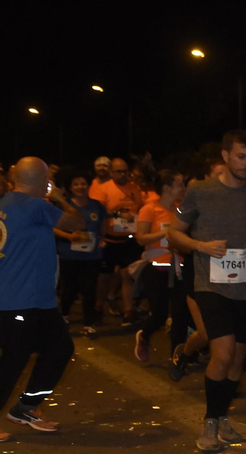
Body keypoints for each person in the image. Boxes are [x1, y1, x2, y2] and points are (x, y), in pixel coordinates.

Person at [166, 131, 246, 453]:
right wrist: (200, 245)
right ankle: (210, 423)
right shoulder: (200, 191)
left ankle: (222, 415)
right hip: (210, 284)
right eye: (241, 156)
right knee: (223, 354)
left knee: (238, 362)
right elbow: (174, 233)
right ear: (226, 156)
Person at [0, 158, 86, 438]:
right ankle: (24, 407)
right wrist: (60, 197)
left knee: (60, 349)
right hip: (21, 300)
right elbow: (77, 221)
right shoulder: (36, 205)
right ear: (42, 180)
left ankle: (26, 406)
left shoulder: (5, 204)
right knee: (14, 360)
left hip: (36, 300)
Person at [132, 169, 187, 365]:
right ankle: (144, 336)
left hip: (178, 267)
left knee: (181, 313)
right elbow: (140, 238)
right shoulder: (149, 209)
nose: (183, 188)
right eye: (180, 184)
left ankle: (177, 356)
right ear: (166, 188)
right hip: (155, 268)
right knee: (160, 314)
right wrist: (166, 234)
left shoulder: (181, 210)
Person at [89, 156, 144, 323]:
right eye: (118, 171)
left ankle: (128, 311)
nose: (122, 174)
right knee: (104, 275)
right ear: (111, 172)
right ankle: (98, 306)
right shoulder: (102, 189)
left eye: (125, 171)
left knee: (127, 274)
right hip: (109, 239)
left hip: (129, 239)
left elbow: (140, 208)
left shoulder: (134, 188)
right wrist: (117, 215)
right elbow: (96, 213)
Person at [55, 170, 107, 335]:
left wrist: (102, 239)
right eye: (76, 184)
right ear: (70, 187)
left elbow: (102, 224)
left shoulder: (97, 205)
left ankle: (87, 323)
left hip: (91, 255)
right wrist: (69, 236)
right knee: (69, 289)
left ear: (89, 185)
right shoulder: (63, 206)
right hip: (69, 255)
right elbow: (53, 228)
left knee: (89, 289)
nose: (80, 187)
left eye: (83, 183)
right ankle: (64, 315)